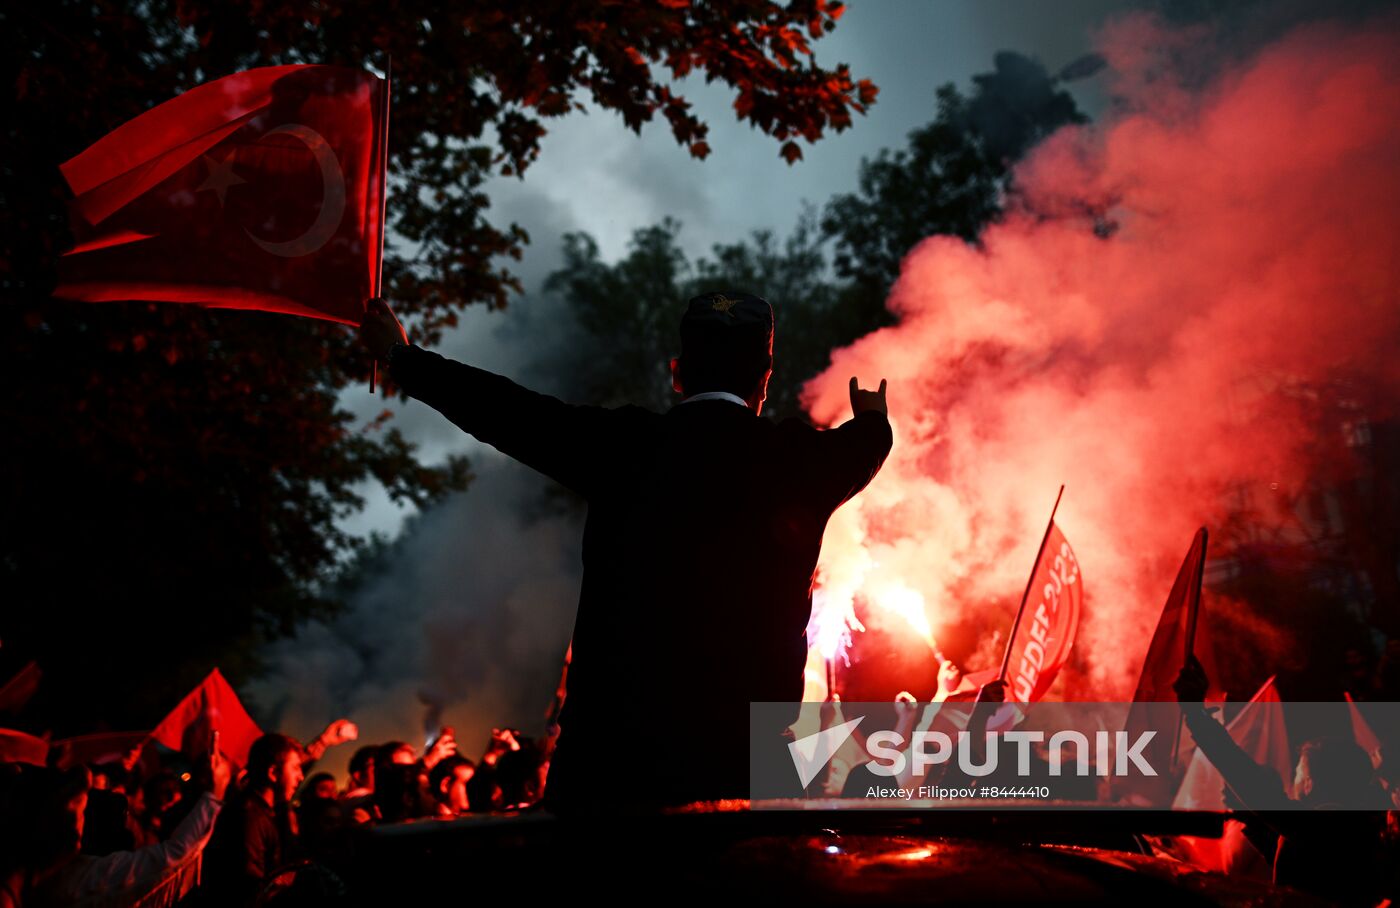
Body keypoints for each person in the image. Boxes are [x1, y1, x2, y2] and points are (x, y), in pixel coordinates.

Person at [360, 291, 893, 811]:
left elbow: (508, 411)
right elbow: (868, 443)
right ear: (766, 378)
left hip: (610, 761)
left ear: (678, 372)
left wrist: (401, 358)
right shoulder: (801, 460)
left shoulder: (621, 444)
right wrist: (872, 419)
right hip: (744, 763)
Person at [1174, 655, 1388, 905]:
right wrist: (1253, 820)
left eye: (1297, 774)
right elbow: (1299, 864)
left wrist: (1196, 716)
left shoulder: (1324, 826)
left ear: (1311, 783)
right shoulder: (1357, 829)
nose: (1292, 784)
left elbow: (1243, 774)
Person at [199, 734, 304, 906]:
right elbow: (248, 888)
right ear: (273, 772)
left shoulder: (265, 812)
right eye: (295, 768)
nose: (300, 777)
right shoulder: (249, 816)